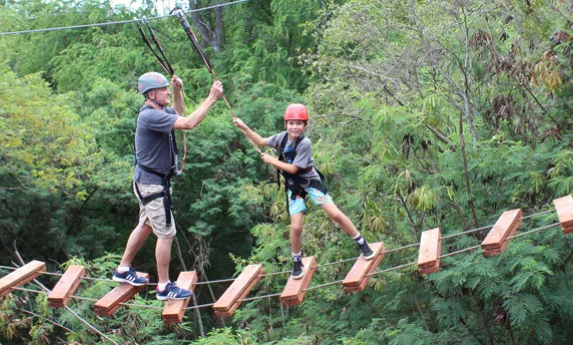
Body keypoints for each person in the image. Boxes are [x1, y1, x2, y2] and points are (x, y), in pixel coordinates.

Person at [112, 72, 223, 300]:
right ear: (151, 94)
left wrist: (176, 90)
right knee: (166, 233)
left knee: (145, 225)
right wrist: (211, 98)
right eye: (162, 90)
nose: (165, 92)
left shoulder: (160, 111)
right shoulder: (150, 116)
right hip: (152, 185)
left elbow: (179, 112)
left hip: (149, 181)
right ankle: (164, 286)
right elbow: (189, 123)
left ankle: (123, 269)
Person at [233, 103, 375, 280]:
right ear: (286, 124)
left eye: (298, 123)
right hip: (294, 186)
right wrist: (244, 127)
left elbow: (293, 169)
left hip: (309, 181)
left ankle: (361, 242)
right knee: (296, 226)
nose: (294, 127)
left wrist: (271, 160)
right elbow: (261, 141)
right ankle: (296, 260)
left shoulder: (305, 143)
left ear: (305, 126)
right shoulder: (282, 138)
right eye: (291, 123)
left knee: (335, 214)